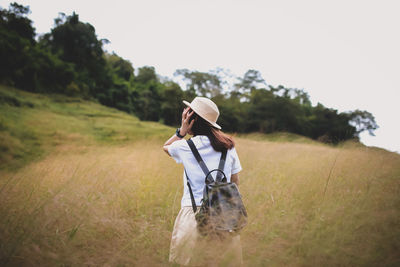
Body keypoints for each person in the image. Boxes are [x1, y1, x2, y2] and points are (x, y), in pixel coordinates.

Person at [163, 96, 243, 266]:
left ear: (192, 120)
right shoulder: (228, 146)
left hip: (193, 215)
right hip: (224, 215)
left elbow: (166, 147)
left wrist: (181, 131)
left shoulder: (185, 147)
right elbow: (234, 182)